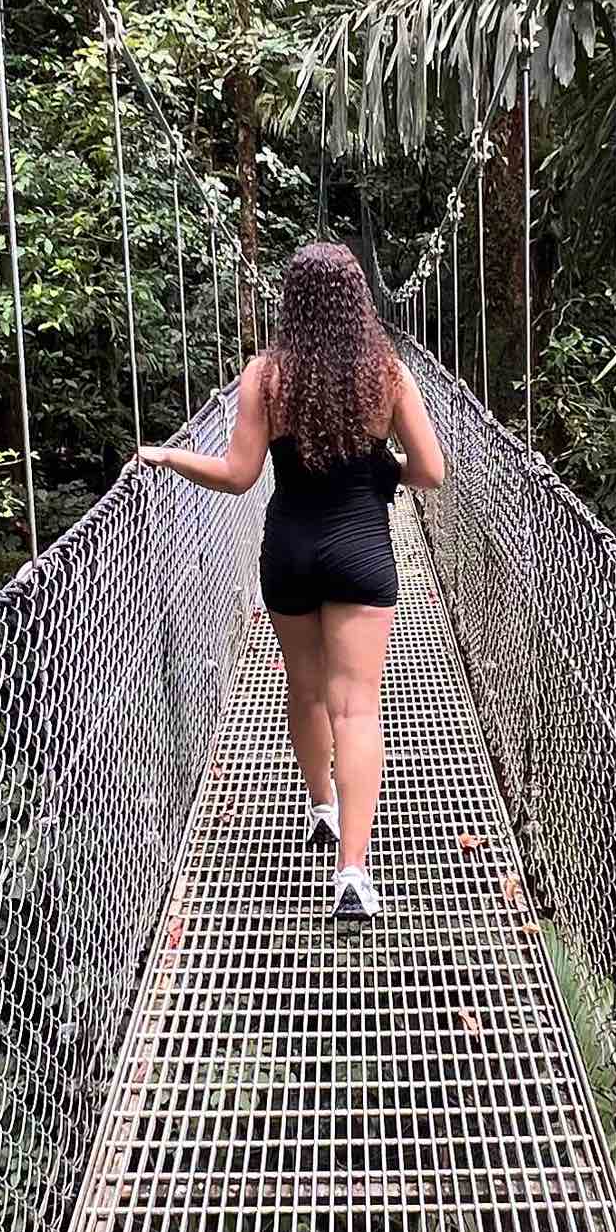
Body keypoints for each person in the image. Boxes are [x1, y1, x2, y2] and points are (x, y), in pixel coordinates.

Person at [136, 241, 445, 923]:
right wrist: (379, 471)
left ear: (292, 303)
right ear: (358, 300)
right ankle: (354, 874)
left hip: (289, 551)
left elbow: (238, 476)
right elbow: (431, 471)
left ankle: (322, 808)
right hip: (362, 549)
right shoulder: (388, 377)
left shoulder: (265, 376)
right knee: (357, 709)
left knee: (302, 688)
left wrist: (168, 456)